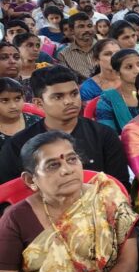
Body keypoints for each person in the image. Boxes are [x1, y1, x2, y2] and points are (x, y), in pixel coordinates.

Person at [0, 131, 137, 272]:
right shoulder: (16, 219)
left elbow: (129, 261)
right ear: (30, 180)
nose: (67, 170)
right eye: (53, 165)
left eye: (72, 159)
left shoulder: (107, 198)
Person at [0, 66, 130, 189]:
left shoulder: (104, 135)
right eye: (58, 97)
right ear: (39, 103)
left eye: (74, 94)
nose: (69, 101)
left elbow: (119, 185)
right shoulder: (18, 145)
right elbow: (9, 194)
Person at [95, 49, 139, 134]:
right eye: (129, 67)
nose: (138, 70)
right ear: (117, 73)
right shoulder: (107, 100)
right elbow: (108, 135)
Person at [0, 78, 40, 153]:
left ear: (23, 98)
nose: (13, 106)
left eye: (17, 98)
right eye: (5, 100)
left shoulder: (37, 123)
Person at [55, 13, 96, 79]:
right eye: (81, 26)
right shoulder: (63, 55)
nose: (87, 30)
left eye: (89, 26)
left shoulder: (107, 47)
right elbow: (67, 79)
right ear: (72, 30)